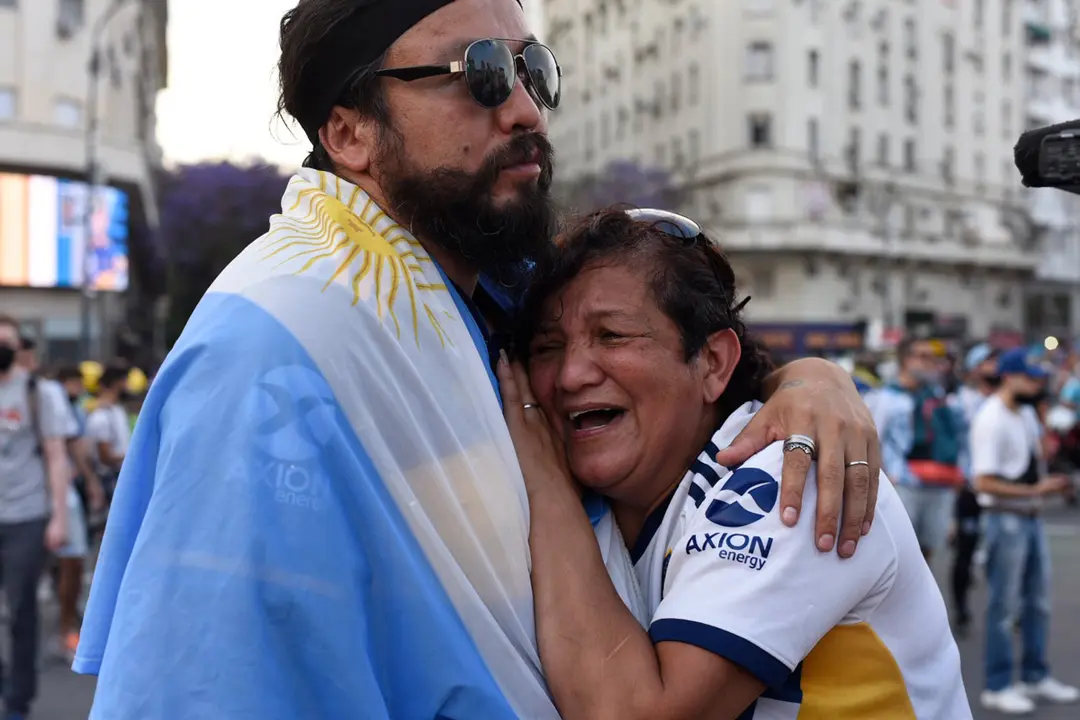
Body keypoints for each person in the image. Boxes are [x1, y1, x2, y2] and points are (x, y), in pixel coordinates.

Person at [74, 1, 882, 717]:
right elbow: (204, 683)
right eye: (481, 74)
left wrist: (808, 380)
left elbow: (684, 349)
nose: (527, 109)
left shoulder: (494, 291)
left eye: (533, 68)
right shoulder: (274, 347)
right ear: (349, 132)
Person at [497, 208, 970, 719]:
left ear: (714, 363)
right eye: (548, 347)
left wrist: (544, 483)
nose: (570, 375)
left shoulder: (791, 470)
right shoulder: (601, 494)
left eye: (612, 335)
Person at [972, 348, 1079, 714]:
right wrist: (1038, 490)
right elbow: (983, 482)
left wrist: (1044, 482)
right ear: (1009, 377)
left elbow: (1027, 463)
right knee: (1004, 606)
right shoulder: (992, 418)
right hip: (1006, 518)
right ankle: (998, 683)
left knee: (1038, 604)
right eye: (1030, 378)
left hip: (1027, 517)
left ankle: (1035, 675)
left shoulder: (1024, 415)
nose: (1036, 384)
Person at [0, 316, 74, 720]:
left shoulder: (36, 392)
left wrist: (58, 518)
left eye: (7, 341)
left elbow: (56, 456)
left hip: (26, 517)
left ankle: (18, 700)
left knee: (21, 608)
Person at [875, 337, 964, 561]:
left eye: (934, 358)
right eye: (923, 357)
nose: (931, 363)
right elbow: (874, 438)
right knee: (900, 548)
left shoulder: (939, 397)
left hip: (939, 480)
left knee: (929, 547)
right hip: (904, 481)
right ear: (906, 360)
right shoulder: (886, 397)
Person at [51, 365, 105, 661]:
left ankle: (66, 630)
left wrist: (91, 482)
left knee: (72, 562)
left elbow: (75, 448)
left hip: (63, 496)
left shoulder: (62, 405)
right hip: (28, 501)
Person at [949, 342, 998, 636]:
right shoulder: (959, 402)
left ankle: (1007, 611)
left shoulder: (1011, 402)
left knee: (999, 551)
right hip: (969, 485)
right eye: (987, 362)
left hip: (999, 488)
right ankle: (962, 611)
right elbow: (953, 443)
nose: (993, 368)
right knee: (964, 552)